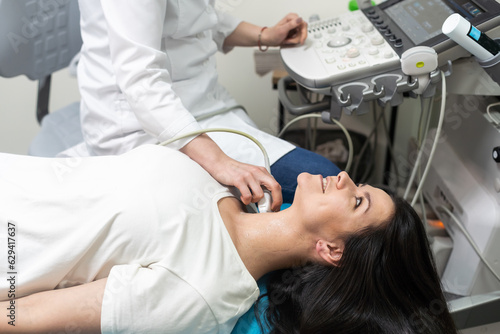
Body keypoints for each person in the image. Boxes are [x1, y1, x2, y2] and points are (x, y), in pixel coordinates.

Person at [0, 145, 457, 333]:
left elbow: (25, 317)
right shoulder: (237, 186)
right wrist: (216, 160)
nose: (340, 178)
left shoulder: (203, 288)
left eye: (356, 200)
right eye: (360, 184)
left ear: (332, 250)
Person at [64, 0, 341, 207]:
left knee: (323, 192)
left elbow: (194, 16)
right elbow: (140, 80)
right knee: (326, 186)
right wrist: (221, 162)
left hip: (204, 108)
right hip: (144, 127)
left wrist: (265, 35)